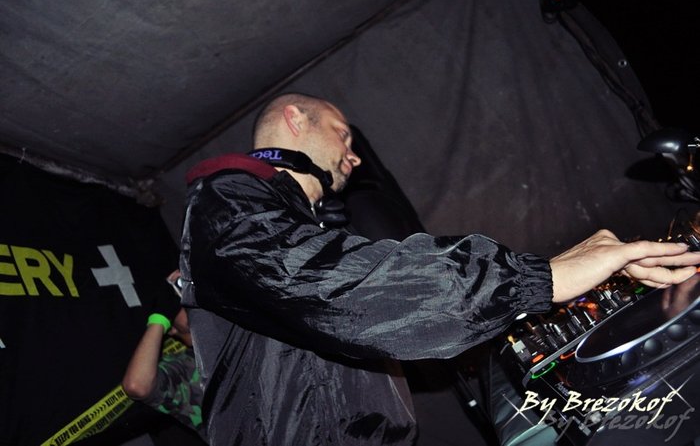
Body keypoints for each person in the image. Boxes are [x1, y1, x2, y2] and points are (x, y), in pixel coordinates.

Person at [179, 92, 700, 446]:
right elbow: (335, 288)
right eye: (344, 136)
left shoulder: (291, 219)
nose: (353, 158)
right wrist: (539, 278)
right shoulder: (227, 198)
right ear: (296, 119)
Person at [121, 271, 207, 442]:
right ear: (172, 328)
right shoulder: (185, 367)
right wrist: (160, 318)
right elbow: (137, 385)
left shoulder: (236, 328)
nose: (187, 299)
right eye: (178, 294)